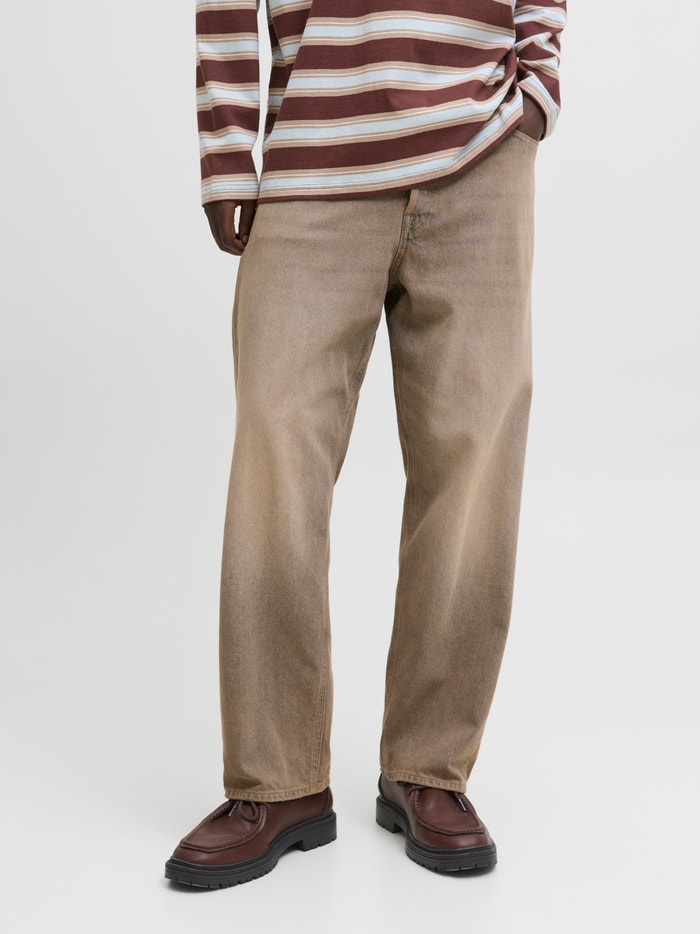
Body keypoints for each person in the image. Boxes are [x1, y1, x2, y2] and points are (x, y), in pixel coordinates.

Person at [165, 0, 566, 888]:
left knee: (473, 460)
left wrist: (537, 84)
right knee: (276, 449)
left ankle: (430, 769)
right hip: (315, 147)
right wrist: (228, 148)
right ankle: (278, 783)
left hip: (482, 148)